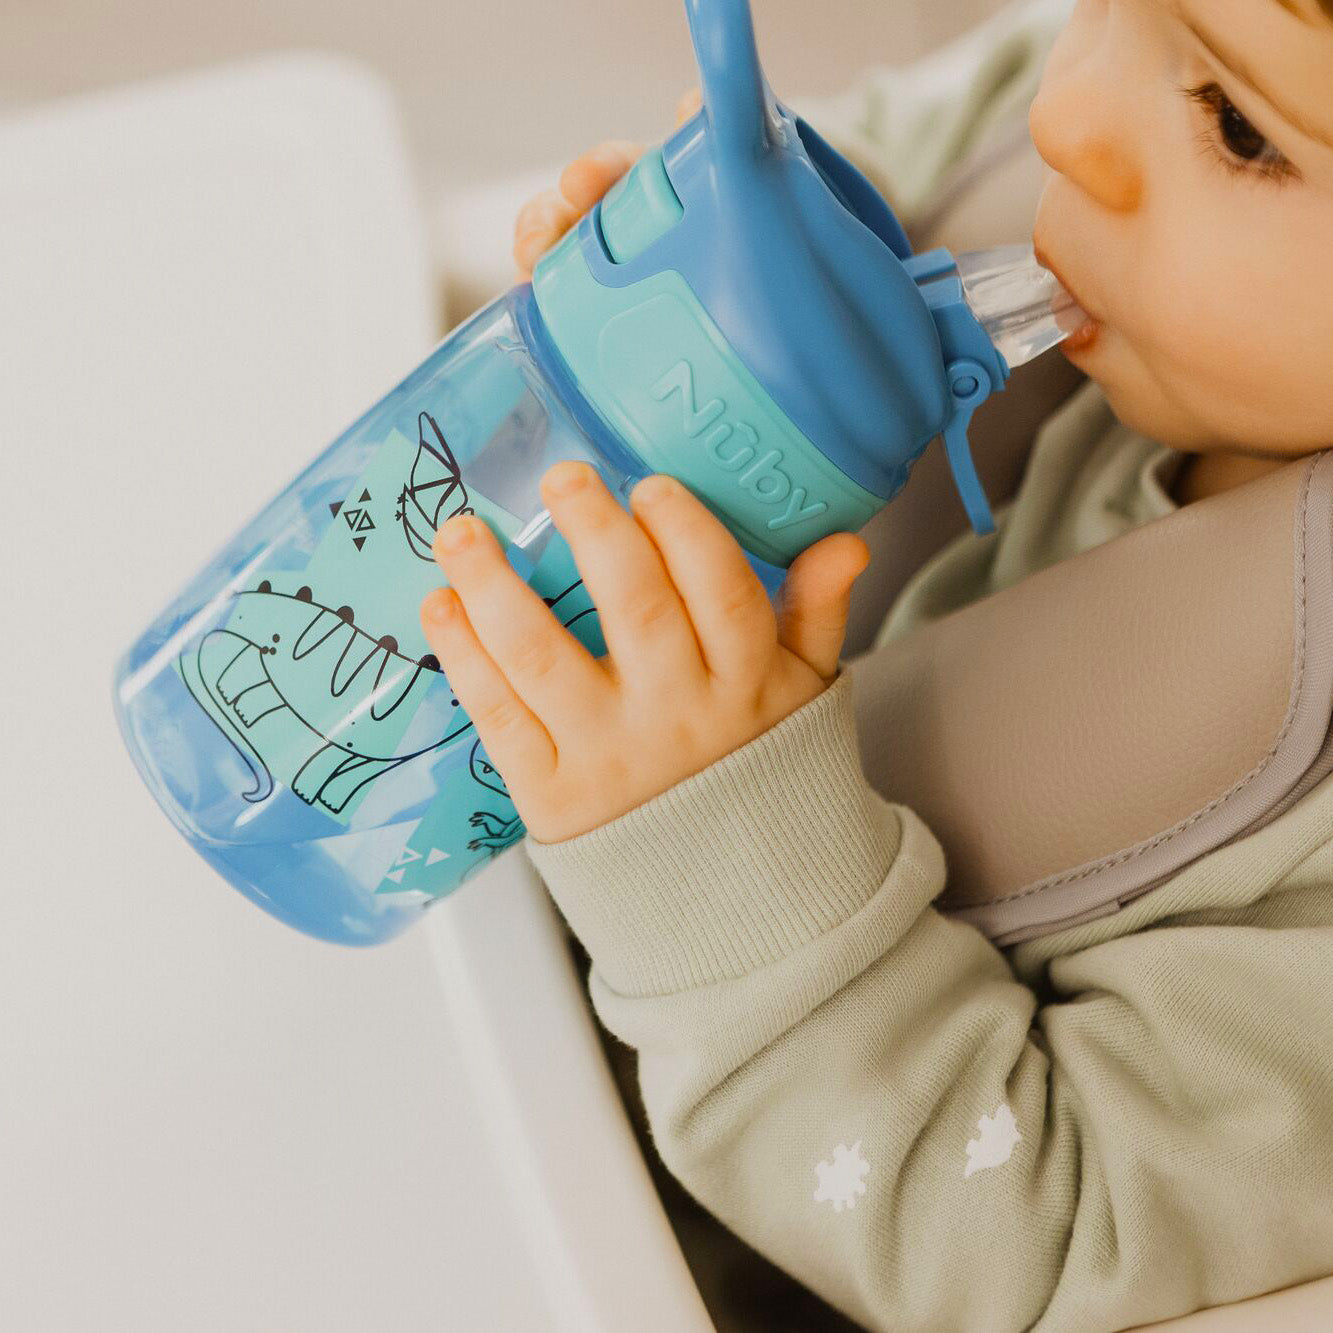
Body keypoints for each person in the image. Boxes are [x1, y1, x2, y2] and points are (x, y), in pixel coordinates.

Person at [418, 0, 1333, 1327]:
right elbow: (873, 163)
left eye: (1237, 126)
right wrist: (724, 277)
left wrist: (711, 845)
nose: (1064, 111)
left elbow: (1046, 1239)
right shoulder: (1075, 122)